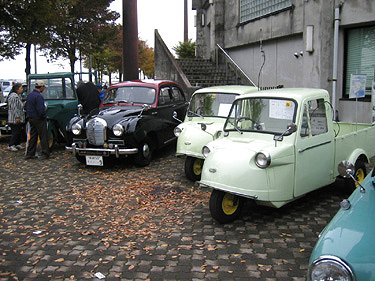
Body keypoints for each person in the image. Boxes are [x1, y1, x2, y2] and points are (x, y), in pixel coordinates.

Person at [24, 80, 50, 160]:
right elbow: (40, 109)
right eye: (44, 87)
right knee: (43, 136)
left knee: (33, 137)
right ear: (41, 87)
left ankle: (30, 153)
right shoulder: (39, 96)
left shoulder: (30, 95)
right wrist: (44, 116)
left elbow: (26, 107)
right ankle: (45, 153)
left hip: (31, 118)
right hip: (39, 119)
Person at [7, 83, 25, 151]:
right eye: (21, 88)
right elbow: (14, 108)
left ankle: (17, 144)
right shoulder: (14, 97)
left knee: (19, 131)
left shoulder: (18, 96)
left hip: (19, 117)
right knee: (15, 131)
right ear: (17, 89)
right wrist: (17, 117)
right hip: (14, 118)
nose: (22, 89)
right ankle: (11, 145)